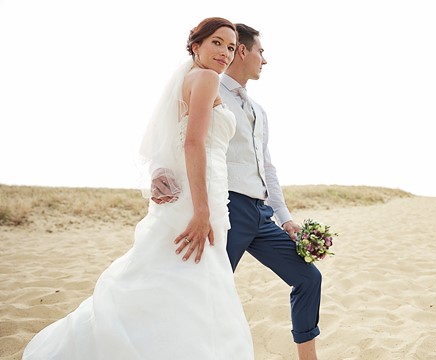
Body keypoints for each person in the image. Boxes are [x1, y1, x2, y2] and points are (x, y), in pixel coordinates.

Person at [22, 17, 254, 360]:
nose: (225, 52)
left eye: (231, 47)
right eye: (217, 43)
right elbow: (192, 144)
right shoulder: (205, 79)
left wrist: (162, 173)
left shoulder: (187, 79)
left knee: (170, 272)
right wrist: (202, 210)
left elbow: (169, 139)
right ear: (196, 46)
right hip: (200, 197)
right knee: (191, 274)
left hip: (195, 193)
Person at [153, 23, 322, 360]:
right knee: (206, 295)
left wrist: (284, 218)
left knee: (308, 278)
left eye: (229, 46)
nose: (265, 60)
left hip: (260, 214)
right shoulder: (207, 85)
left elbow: (267, 168)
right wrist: (161, 173)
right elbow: (182, 137)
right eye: (261, 51)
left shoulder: (259, 110)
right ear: (245, 52)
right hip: (226, 208)